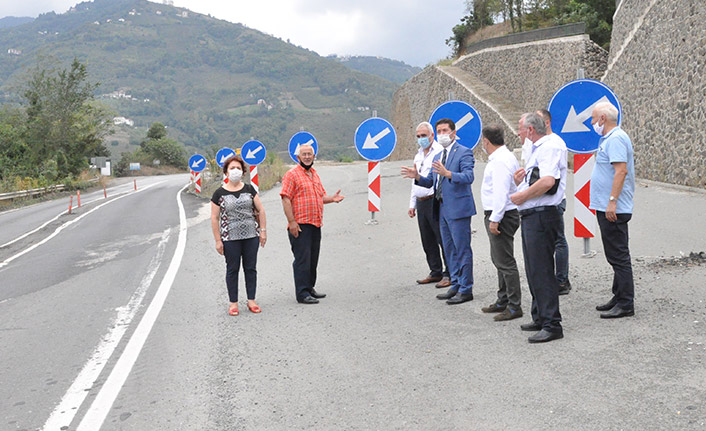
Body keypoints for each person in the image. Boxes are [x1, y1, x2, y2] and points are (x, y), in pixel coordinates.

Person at [401, 118, 476, 305]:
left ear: (453, 132)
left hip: (458, 209)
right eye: (439, 131)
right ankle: (455, 284)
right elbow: (430, 182)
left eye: (445, 131)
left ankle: (466, 288)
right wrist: (417, 176)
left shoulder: (464, 152)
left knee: (462, 249)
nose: (442, 134)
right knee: (449, 249)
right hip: (441, 208)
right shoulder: (437, 157)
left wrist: (448, 174)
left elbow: (468, 176)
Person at [510, 112, 567, 343]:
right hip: (533, 214)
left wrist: (521, 195)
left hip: (542, 214)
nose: (519, 133)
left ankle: (552, 324)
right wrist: (520, 182)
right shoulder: (539, 148)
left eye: (521, 128)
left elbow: (548, 182)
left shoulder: (550, 146)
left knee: (542, 270)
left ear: (531, 130)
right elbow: (537, 178)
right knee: (534, 268)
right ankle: (541, 316)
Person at [280, 143, 344, 304]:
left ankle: (309, 288)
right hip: (300, 224)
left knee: (313, 258)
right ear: (298, 157)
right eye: (304, 154)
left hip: (315, 223)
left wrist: (332, 199)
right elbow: (285, 198)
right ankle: (302, 293)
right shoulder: (291, 175)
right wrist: (292, 222)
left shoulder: (314, 174)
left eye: (310, 154)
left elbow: (320, 197)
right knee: (302, 259)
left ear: (314, 157)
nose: (307, 157)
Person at [589, 102, 636, 319]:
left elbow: (621, 171)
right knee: (614, 253)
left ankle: (626, 303)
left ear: (603, 119)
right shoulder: (609, 138)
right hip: (607, 206)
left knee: (618, 255)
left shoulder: (615, 139)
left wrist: (612, 201)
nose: (591, 123)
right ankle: (618, 296)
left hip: (613, 208)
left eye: (593, 118)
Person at [211, 154, 267, 316]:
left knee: (250, 268)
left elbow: (261, 210)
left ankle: (251, 300)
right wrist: (217, 240)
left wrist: (262, 231)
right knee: (232, 269)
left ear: (243, 172)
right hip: (230, 238)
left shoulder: (249, 189)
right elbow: (214, 218)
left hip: (251, 235)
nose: (235, 171)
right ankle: (233, 303)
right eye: (232, 168)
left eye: (238, 168)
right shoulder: (219, 193)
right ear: (226, 172)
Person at [479, 124, 523, 321]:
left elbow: (501, 191)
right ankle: (503, 299)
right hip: (503, 213)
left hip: (502, 214)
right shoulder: (502, 158)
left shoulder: (500, 161)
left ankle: (514, 306)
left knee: (505, 261)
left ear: (486, 141)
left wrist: (495, 219)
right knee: (499, 259)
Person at [408, 121, 451, 288]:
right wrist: (412, 204)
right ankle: (435, 271)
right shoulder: (418, 155)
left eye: (424, 136)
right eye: (418, 136)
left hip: (434, 200)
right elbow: (415, 181)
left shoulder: (439, 152)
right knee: (427, 239)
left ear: (432, 135)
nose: (421, 139)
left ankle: (449, 273)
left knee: (442, 238)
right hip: (421, 202)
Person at [536, 108, 572, 295]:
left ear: (547, 122)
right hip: (542, 201)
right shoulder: (538, 143)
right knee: (548, 242)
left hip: (554, 200)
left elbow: (552, 177)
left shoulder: (555, 143)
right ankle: (552, 278)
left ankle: (561, 280)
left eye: (538, 120)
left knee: (558, 240)